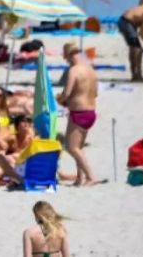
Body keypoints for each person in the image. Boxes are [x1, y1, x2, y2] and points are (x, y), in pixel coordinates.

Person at [56, 43, 98, 186]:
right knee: (78, 147)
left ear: (68, 55)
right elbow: (95, 93)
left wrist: (59, 99)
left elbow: (67, 93)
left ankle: (91, 177)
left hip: (79, 112)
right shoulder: (91, 69)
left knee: (71, 147)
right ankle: (80, 178)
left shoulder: (73, 71)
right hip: (91, 113)